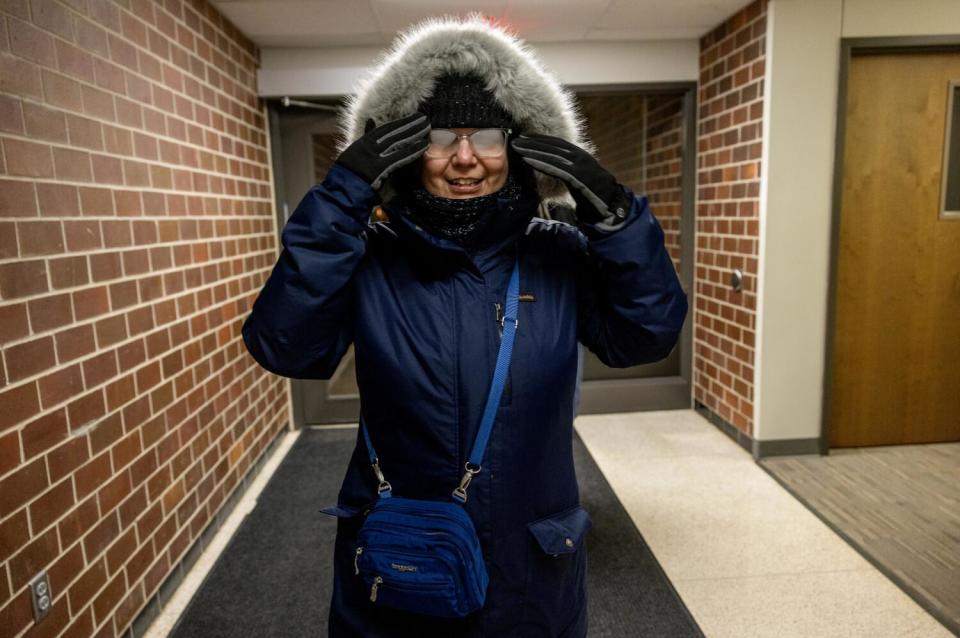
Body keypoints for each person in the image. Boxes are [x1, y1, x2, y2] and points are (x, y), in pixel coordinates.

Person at [242, 14, 688, 638]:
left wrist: (616, 220)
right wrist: (339, 200)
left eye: (486, 136)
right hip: (399, 561)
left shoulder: (556, 254)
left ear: (518, 147)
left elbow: (646, 333)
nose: (464, 159)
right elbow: (284, 343)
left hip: (530, 570)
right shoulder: (370, 258)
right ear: (405, 151)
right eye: (439, 137)